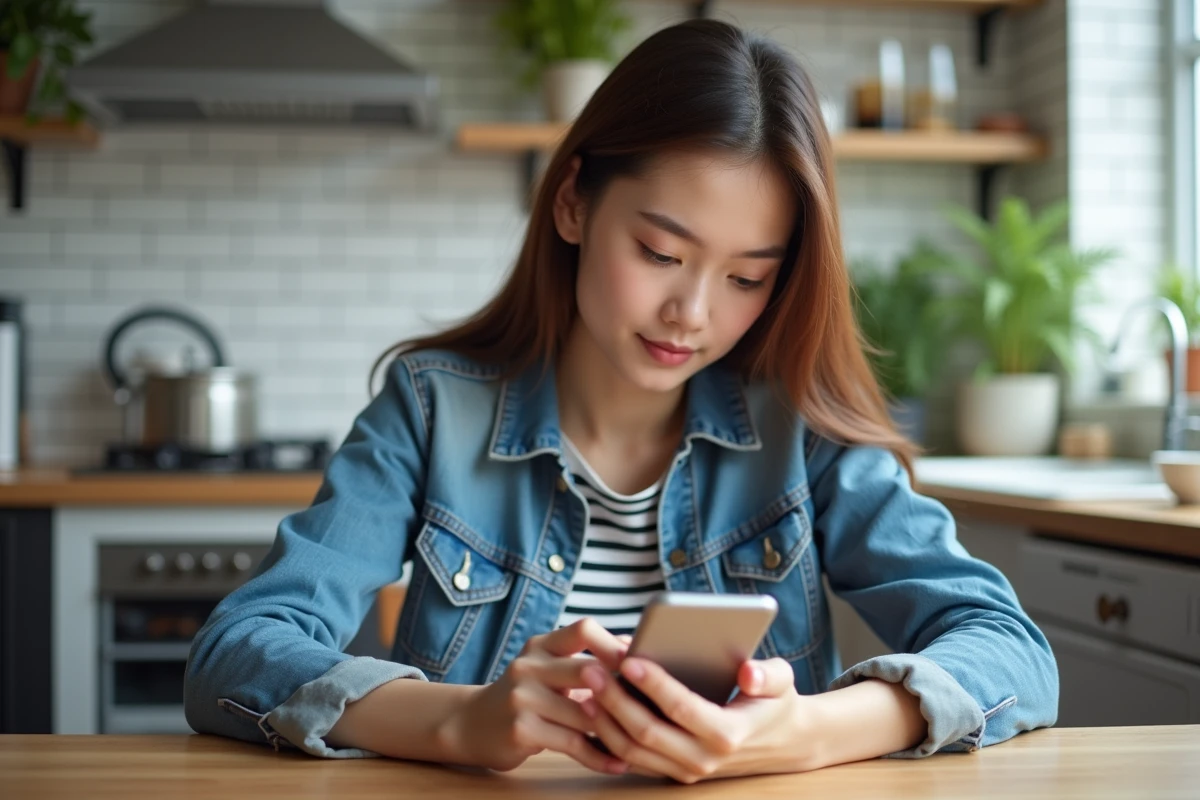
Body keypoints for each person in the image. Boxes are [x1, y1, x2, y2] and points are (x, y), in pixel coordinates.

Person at [183, 18, 1058, 783]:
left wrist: (810, 733)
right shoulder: (430, 410)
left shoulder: (804, 430)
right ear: (572, 202)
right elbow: (235, 653)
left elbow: (1011, 649)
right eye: (660, 253)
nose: (694, 313)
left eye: (747, 276)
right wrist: (462, 721)